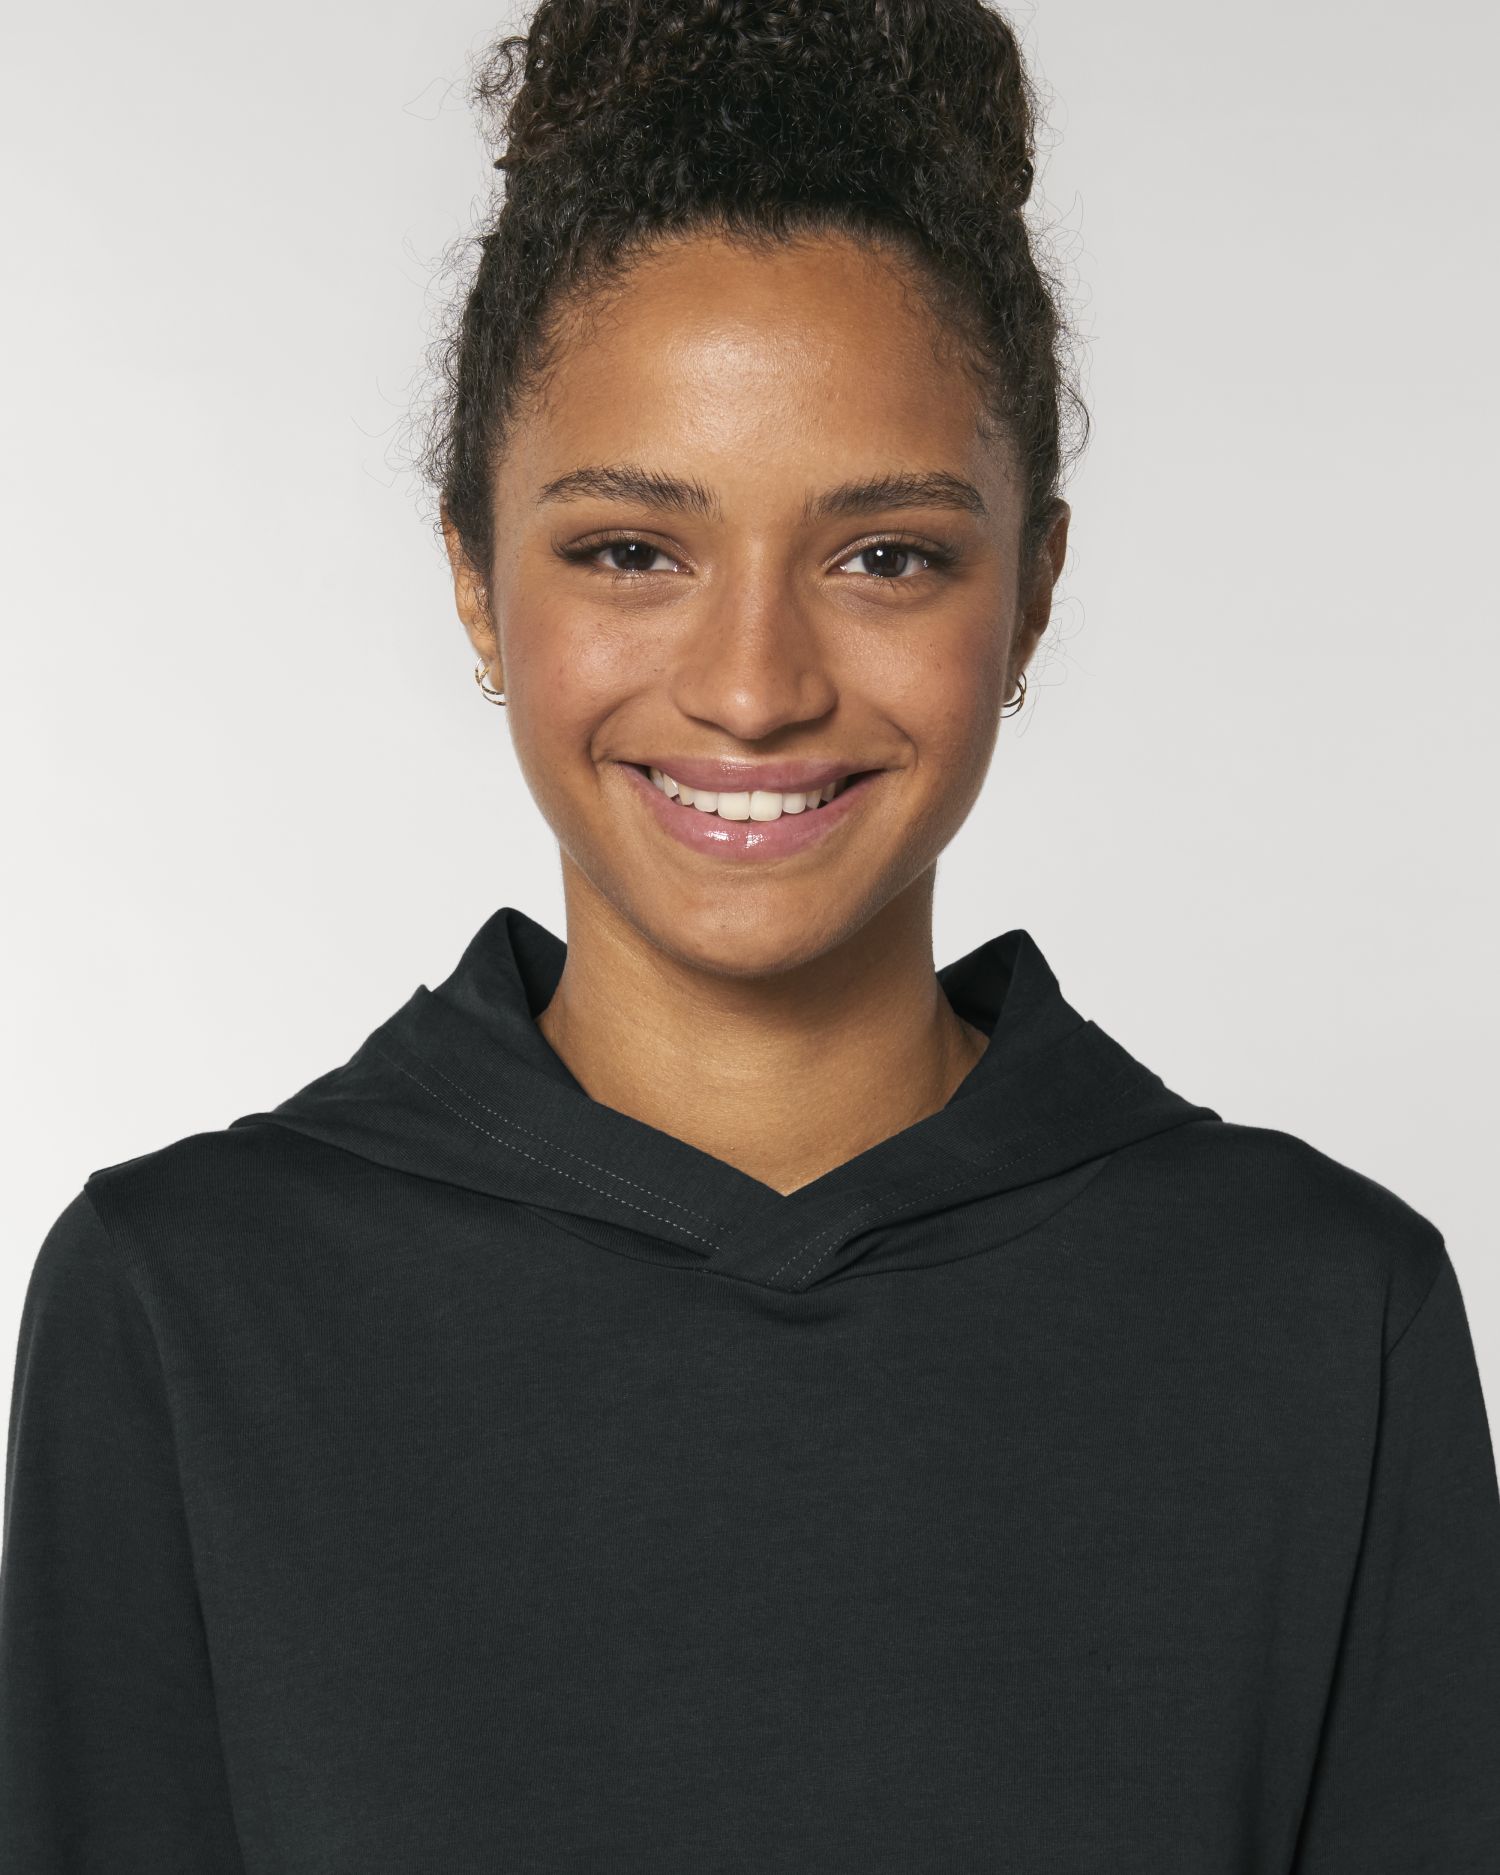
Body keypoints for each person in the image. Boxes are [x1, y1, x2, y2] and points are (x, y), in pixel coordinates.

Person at [4, 0, 1498, 1868]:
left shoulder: (1324, 1318)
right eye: (633, 549)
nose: (754, 685)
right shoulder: (187, 1306)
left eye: (887, 556)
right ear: (474, 579)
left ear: (1033, 593)